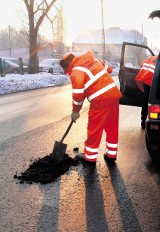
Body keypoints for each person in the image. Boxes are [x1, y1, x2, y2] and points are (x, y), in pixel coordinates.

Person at [60, 51, 122, 164]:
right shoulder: (94, 60)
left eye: (67, 70)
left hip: (100, 100)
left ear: (69, 64)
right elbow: (109, 70)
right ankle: (111, 155)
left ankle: (89, 157)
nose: (68, 73)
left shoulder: (76, 71)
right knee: (112, 126)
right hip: (114, 96)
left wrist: (75, 111)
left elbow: (78, 94)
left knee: (94, 128)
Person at [135, 55, 157, 129]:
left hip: (144, 78)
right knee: (153, 101)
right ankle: (152, 121)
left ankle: (143, 121)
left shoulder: (152, 57)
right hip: (153, 80)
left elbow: (142, 64)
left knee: (146, 100)